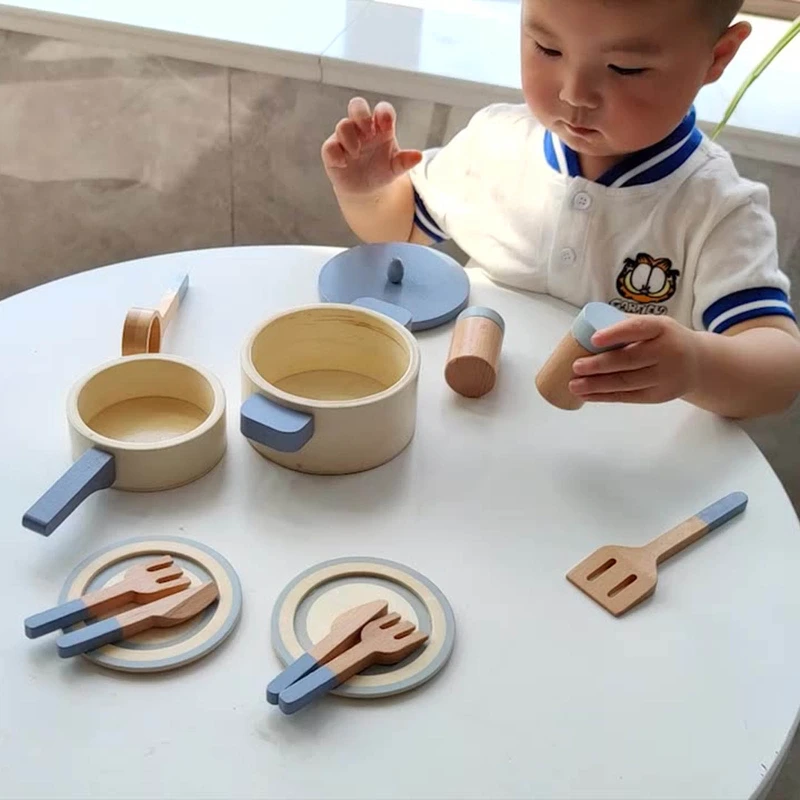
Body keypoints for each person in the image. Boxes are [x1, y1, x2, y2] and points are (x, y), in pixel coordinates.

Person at [320, 0, 800, 420]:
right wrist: (367, 192)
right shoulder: (496, 141)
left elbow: (779, 370)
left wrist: (697, 365)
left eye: (626, 68)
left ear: (717, 56)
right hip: (476, 425)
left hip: (616, 468)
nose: (575, 94)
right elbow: (403, 231)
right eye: (548, 49)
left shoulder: (718, 209)